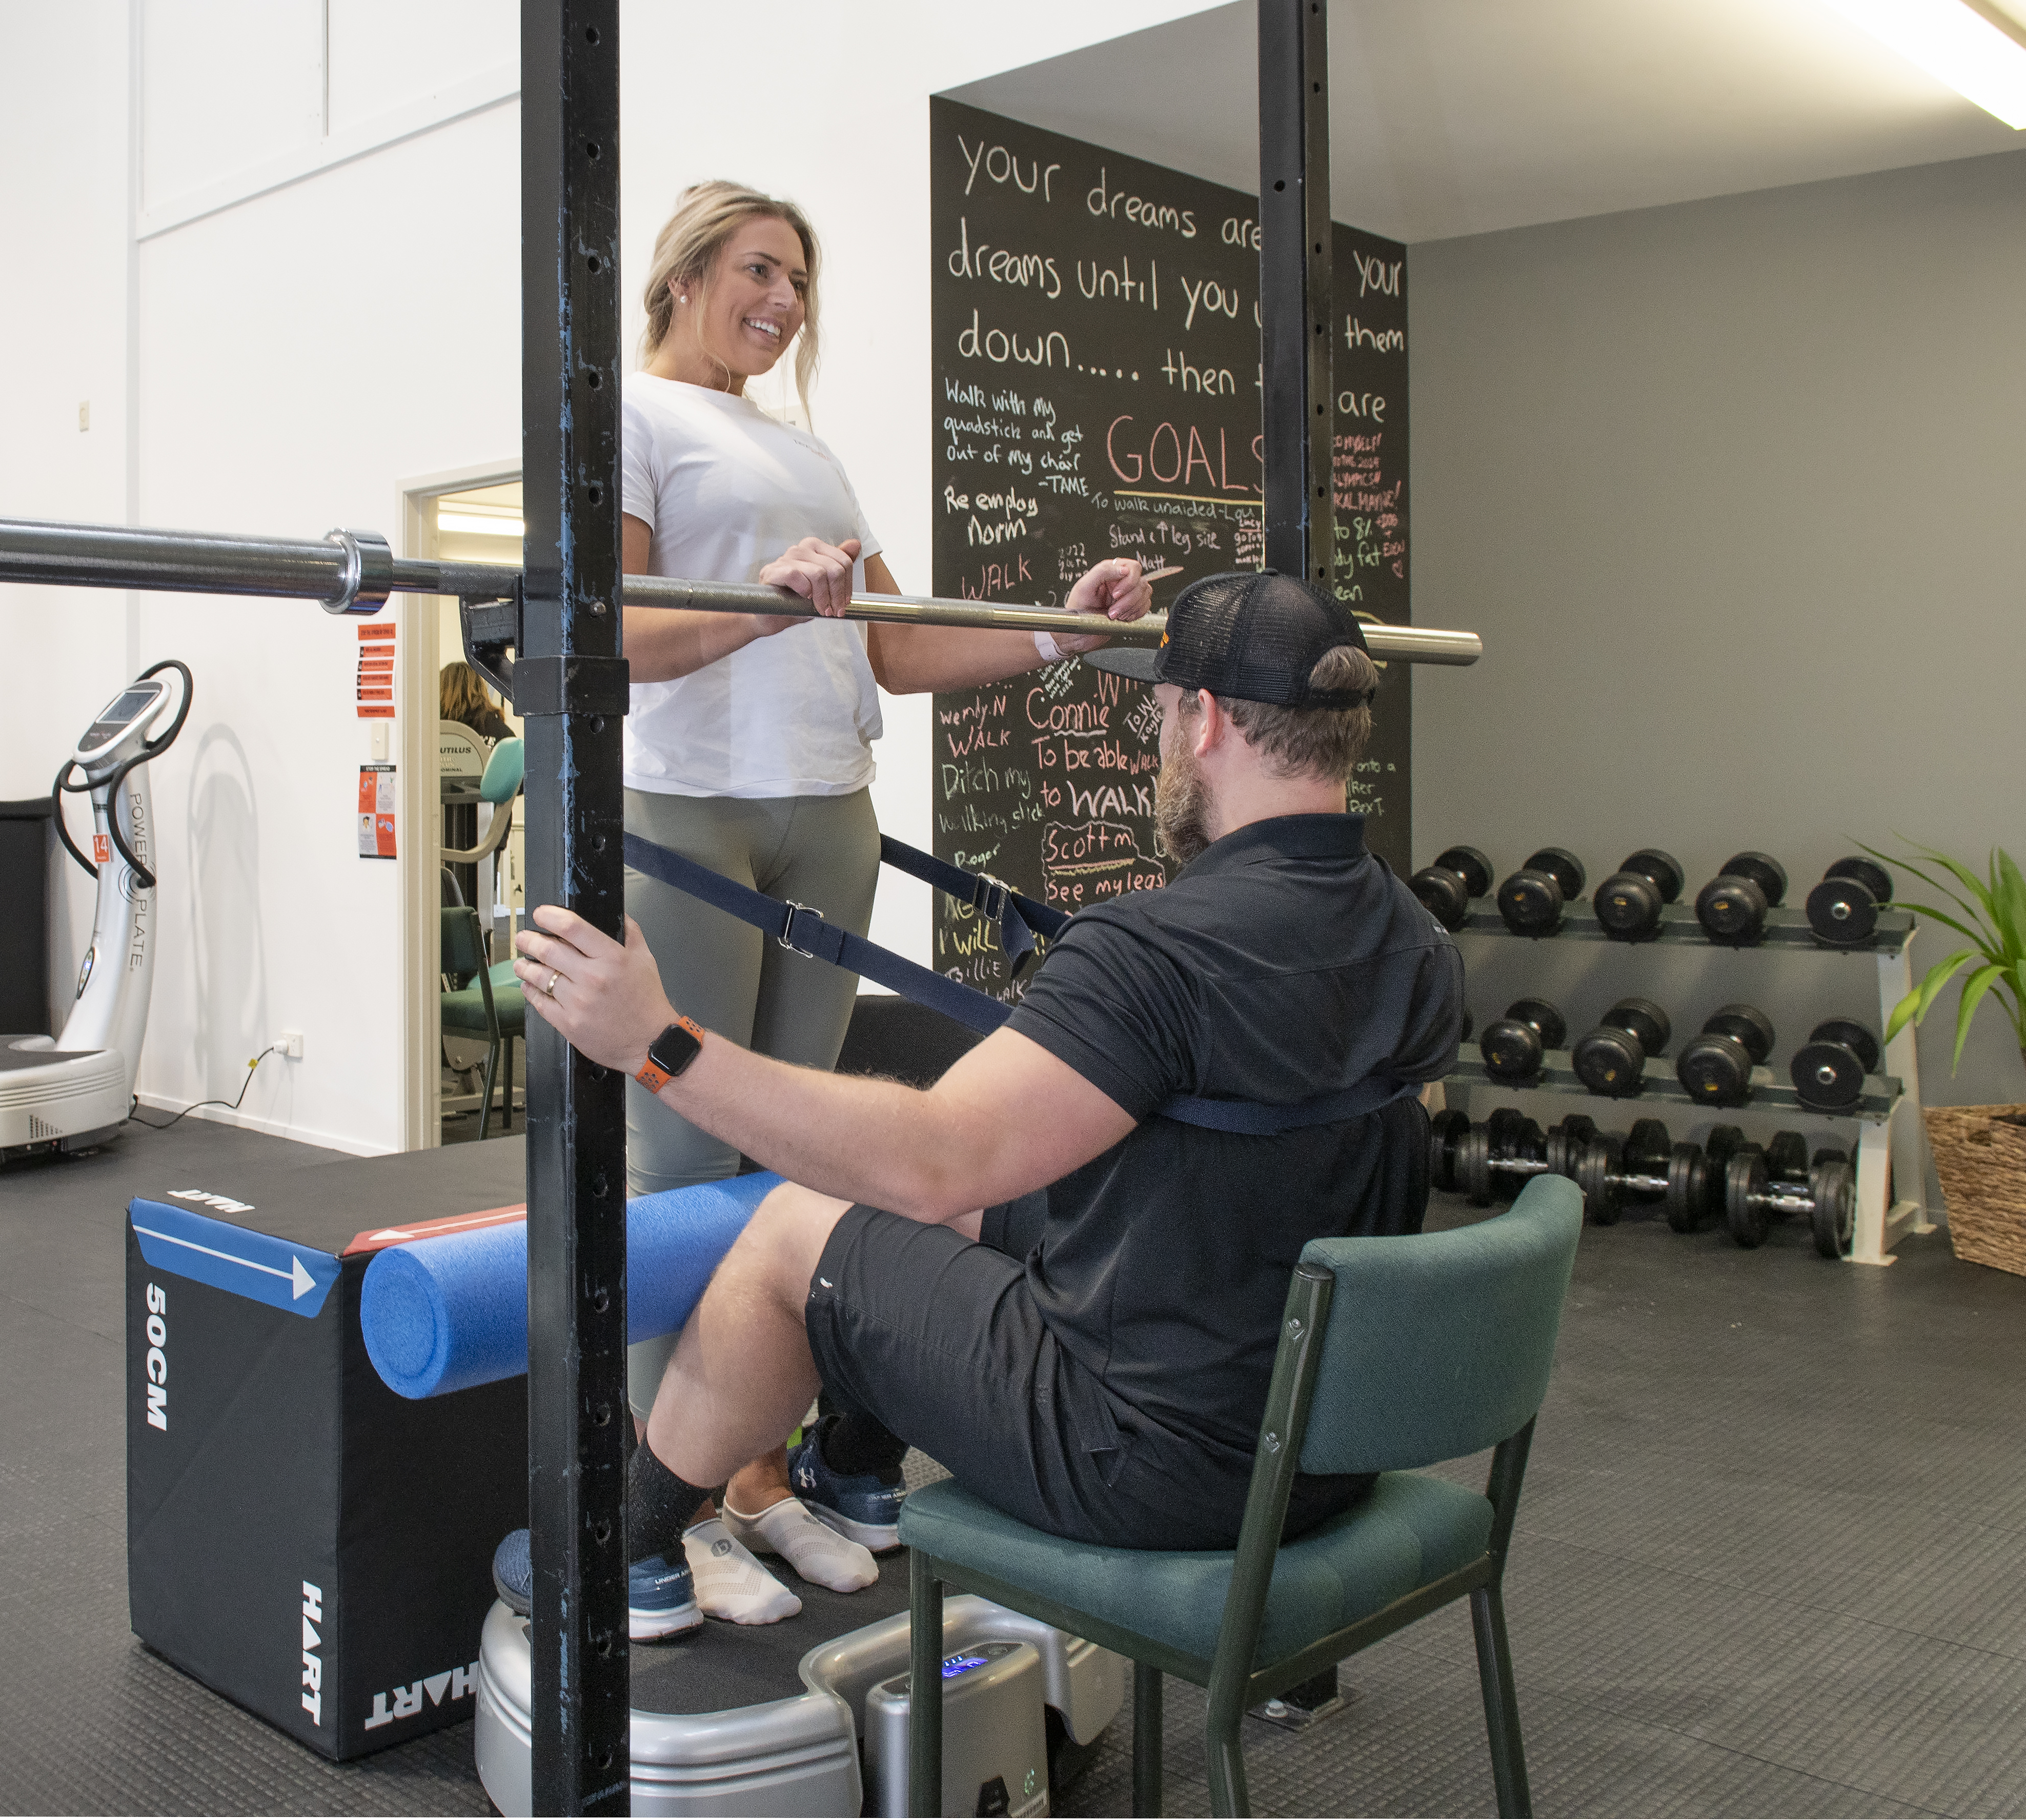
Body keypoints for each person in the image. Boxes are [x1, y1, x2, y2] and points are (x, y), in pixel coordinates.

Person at [491, 572, 1465, 1642]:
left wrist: (656, 1042)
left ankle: (618, 1547)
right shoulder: (1415, 934)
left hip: (1152, 1467)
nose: (1156, 735)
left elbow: (930, 1158)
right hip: (1320, 1445)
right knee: (971, 1203)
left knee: (793, 1226)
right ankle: (856, 1469)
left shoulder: (1157, 950)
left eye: (1160, 709)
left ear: (1209, 720)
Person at [613, 179, 1160, 1625]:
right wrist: (761, 598)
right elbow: (612, 635)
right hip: (689, 808)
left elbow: (901, 652)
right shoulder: (629, 415)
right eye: (756, 268)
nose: (781, 300)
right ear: (683, 274)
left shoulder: (808, 450)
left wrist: (1061, 626)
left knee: (805, 1161)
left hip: (825, 806)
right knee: (683, 1161)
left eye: (797, 277)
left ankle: (758, 1474)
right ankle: (659, 1500)